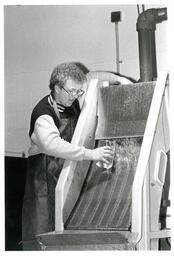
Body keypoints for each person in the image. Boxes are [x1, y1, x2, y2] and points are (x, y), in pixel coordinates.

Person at [22, 62, 133, 247]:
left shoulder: (71, 96)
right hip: (43, 178)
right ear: (57, 87)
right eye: (71, 91)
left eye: (78, 92)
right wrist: (91, 154)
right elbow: (53, 145)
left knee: (66, 229)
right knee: (42, 233)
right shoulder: (43, 114)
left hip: (65, 170)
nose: (75, 96)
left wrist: (122, 80)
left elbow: (92, 76)